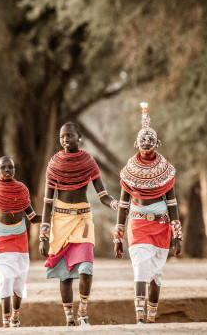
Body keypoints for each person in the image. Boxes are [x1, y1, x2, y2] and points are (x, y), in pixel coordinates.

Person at [39, 122, 118, 326]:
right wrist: (44, 235)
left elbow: (102, 195)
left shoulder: (88, 162)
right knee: (65, 275)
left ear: (79, 137)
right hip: (60, 222)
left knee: (86, 269)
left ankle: (83, 313)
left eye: (70, 136)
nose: (66, 140)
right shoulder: (54, 163)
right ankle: (69, 319)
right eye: (62, 136)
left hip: (83, 222)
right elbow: (48, 203)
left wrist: (115, 204)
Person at [113, 102, 182, 324]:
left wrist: (177, 235)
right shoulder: (129, 171)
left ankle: (151, 316)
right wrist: (118, 236)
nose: (146, 145)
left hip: (161, 227)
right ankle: (140, 317)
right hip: (138, 225)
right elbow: (124, 205)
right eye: (142, 142)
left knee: (156, 274)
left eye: (150, 142)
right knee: (141, 268)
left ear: (156, 143)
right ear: (136, 144)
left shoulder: (166, 171)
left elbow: (172, 204)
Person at [0, 156, 42, 327]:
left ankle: (15, 317)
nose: (7, 170)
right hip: (1, 240)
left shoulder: (22, 190)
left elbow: (31, 217)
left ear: (15, 170)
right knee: (6, 278)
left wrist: (49, 217)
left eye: (11, 167)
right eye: (3, 168)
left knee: (19, 280)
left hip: (20, 239)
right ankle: (5, 322)